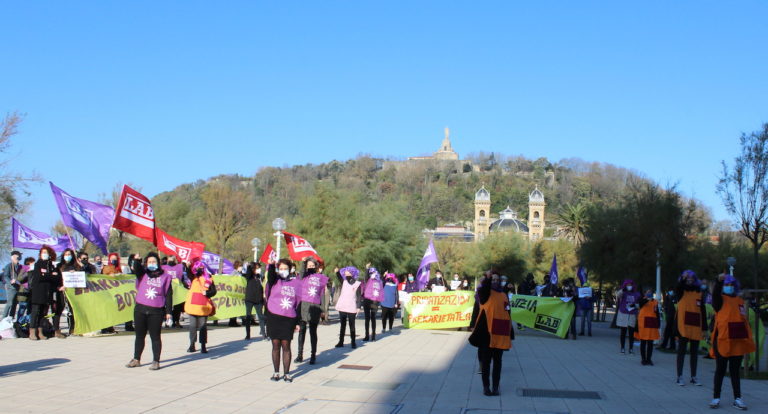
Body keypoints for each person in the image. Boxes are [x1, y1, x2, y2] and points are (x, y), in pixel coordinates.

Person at [709, 274, 754, 410]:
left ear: (735, 286)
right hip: (722, 340)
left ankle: (737, 398)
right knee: (720, 370)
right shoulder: (720, 300)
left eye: (731, 285)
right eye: (726, 285)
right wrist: (718, 281)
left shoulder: (740, 301)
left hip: (737, 341)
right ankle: (716, 397)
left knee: (735, 371)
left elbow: (743, 320)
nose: (729, 287)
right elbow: (716, 293)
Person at [468, 271, 513, 396]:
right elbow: (484, 291)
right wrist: (487, 278)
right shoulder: (484, 294)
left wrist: (510, 332)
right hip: (486, 333)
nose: (495, 281)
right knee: (486, 362)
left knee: (498, 362)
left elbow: (507, 312)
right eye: (493, 279)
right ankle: (486, 387)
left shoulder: (503, 294)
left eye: (497, 280)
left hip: (501, 333)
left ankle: (495, 387)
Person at [126, 252, 173, 370]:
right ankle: (136, 359)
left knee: (155, 337)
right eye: (149, 262)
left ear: (158, 263)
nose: (152, 264)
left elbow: (168, 295)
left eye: (154, 262)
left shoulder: (166, 277)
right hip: (140, 309)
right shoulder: (143, 274)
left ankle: (156, 361)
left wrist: (169, 312)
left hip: (156, 311)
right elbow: (137, 269)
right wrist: (137, 260)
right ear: (146, 263)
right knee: (139, 336)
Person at [265, 258, 301, 382]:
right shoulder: (275, 281)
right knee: (275, 345)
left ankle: (287, 373)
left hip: (289, 317)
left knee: (286, 345)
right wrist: (270, 265)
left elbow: (299, 303)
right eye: (281, 269)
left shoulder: (296, 283)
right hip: (274, 316)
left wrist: (298, 322)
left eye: (285, 268)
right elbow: (270, 276)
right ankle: (276, 372)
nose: (283, 271)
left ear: (290, 269)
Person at [675, 270, 708, 386]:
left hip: (695, 327)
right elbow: (678, 286)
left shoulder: (699, 293)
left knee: (694, 353)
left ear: (695, 280)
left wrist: (705, 328)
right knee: (681, 352)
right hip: (683, 326)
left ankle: (693, 376)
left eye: (691, 279)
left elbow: (702, 312)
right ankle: (679, 376)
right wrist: (682, 278)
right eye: (687, 279)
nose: (689, 280)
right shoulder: (681, 292)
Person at [295, 258, 328, 364]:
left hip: (315, 306)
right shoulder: (303, 276)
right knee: (302, 331)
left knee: (313, 332)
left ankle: (313, 355)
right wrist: (303, 262)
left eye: (312, 265)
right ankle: (300, 355)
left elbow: (322, 293)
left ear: (316, 266)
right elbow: (301, 272)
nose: (310, 267)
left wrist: (323, 309)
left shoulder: (321, 278)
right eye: (308, 265)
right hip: (303, 305)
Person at [27, 246, 62, 340]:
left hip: (48, 293)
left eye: (46, 252)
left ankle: (40, 331)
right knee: (35, 312)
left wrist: (47, 275)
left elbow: (57, 278)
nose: (44, 254)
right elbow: (39, 277)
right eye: (43, 252)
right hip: (38, 292)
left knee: (43, 313)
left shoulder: (51, 265)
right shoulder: (38, 264)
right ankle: (32, 332)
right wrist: (50, 275)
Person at [183, 259, 217, 354]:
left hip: (204, 306)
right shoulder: (193, 277)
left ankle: (203, 345)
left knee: (203, 326)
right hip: (193, 306)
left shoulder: (209, 278)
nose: (200, 270)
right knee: (192, 326)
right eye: (198, 268)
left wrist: (207, 292)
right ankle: (192, 344)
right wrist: (188, 266)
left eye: (201, 268)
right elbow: (188, 272)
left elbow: (214, 291)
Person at [56, 248, 82, 337]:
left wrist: (79, 269)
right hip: (63, 291)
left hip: (75, 292)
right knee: (62, 310)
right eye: (66, 254)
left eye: (69, 254)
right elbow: (56, 279)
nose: (67, 256)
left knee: (74, 310)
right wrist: (59, 286)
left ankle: (74, 329)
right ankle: (57, 330)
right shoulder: (59, 266)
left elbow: (82, 277)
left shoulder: (77, 266)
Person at [334, 266, 362, 349]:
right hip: (342, 305)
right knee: (342, 324)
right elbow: (339, 277)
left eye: (348, 271)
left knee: (352, 325)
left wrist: (358, 307)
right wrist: (337, 272)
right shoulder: (344, 281)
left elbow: (359, 296)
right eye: (345, 271)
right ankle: (341, 341)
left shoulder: (357, 284)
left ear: (352, 273)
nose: (346, 272)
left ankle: (353, 342)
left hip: (351, 305)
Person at [635, 289, 660, 365]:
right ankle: (643, 359)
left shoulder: (655, 301)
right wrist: (646, 298)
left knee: (650, 342)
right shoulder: (642, 300)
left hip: (652, 323)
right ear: (644, 293)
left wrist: (658, 323)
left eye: (651, 292)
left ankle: (649, 359)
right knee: (643, 342)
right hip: (643, 324)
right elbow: (640, 304)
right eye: (648, 292)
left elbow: (657, 313)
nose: (650, 293)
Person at [243, 262, 266, 340]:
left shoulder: (259, 277)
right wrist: (249, 266)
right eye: (257, 268)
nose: (258, 269)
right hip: (250, 299)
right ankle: (248, 334)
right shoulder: (249, 276)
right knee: (248, 317)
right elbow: (248, 272)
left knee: (261, 317)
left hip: (258, 300)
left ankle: (263, 333)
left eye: (259, 268)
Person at [616, 279, 640, 354]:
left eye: (630, 285)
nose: (629, 287)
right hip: (623, 314)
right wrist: (623, 289)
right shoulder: (623, 292)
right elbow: (618, 295)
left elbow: (639, 303)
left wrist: (635, 305)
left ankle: (631, 348)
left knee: (631, 333)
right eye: (627, 285)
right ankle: (622, 348)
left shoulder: (636, 294)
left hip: (632, 314)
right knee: (623, 332)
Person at [362, 265, 383, 342]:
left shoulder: (379, 281)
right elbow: (366, 276)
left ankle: (373, 336)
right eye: (371, 273)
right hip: (367, 300)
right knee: (367, 318)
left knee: (373, 318)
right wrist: (367, 269)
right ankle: (367, 335)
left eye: (373, 272)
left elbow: (381, 291)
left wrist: (380, 300)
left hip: (374, 301)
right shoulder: (368, 280)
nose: (372, 274)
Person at [1, 250, 23, 319]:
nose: (20, 256)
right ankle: (4, 318)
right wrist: (10, 281)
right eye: (18, 255)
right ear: (13, 257)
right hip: (11, 287)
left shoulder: (20, 266)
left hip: (17, 287)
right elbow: (5, 276)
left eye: (20, 255)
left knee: (14, 304)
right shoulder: (9, 266)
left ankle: (11, 318)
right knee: (10, 303)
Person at [14, 257, 35, 322]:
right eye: (33, 262)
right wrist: (27, 272)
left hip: (32, 292)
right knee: (22, 309)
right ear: (29, 262)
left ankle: (27, 324)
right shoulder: (24, 268)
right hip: (24, 291)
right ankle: (18, 324)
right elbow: (19, 279)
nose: (34, 263)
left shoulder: (35, 269)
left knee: (30, 310)